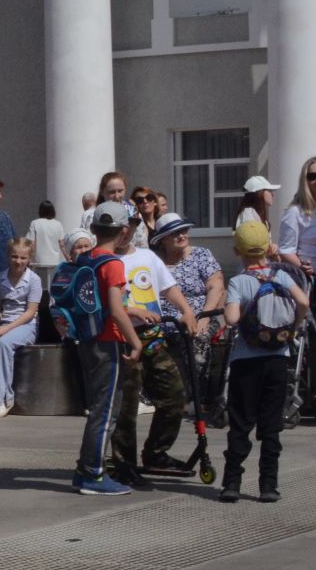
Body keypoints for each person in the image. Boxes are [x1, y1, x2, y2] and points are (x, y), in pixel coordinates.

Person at [221, 221, 307, 503]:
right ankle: (268, 486)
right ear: (268, 246)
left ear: (237, 250)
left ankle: (231, 483)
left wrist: (235, 307)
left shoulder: (238, 282)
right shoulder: (281, 276)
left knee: (240, 423)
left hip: (246, 362)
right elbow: (303, 301)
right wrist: (293, 327)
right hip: (277, 360)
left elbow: (232, 319)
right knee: (271, 426)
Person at [66, 206, 141, 495]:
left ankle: (85, 468)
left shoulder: (86, 257)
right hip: (107, 341)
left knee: (99, 407)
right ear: (124, 231)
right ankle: (93, 475)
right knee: (106, 409)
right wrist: (135, 342)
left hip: (86, 337)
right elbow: (116, 309)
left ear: (94, 230)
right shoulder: (114, 264)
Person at [116, 225, 196, 484]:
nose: (124, 232)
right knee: (127, 407)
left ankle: (156, 452)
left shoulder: (148, 257)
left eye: (129, 226)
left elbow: (167, 287)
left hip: (152, 336)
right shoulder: (107, 260)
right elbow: (110, 303)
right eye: (119, 227)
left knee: (174, 397)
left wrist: (186, 310)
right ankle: (124, 463)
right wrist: (134, 311)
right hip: (123, 340)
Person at [0, 239, 43, 418]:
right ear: (8, 257)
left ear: (29, 259)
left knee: (4, 344)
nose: (18, 261)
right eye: (15, 256)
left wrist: (6, 329)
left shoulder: (34, 280)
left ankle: (3, 399)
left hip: (25, 326)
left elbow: (30, 312)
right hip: (3, 324)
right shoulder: (0, 278)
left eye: (23, 258)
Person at [27, 200, 65, 290]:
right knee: (52, 287)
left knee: (37, 288)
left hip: (38, 261)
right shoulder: (58, 224)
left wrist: (28, 258)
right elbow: (62, 244)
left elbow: (32, 243)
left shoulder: (35, 223)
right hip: (54, 261)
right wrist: (68, 258)